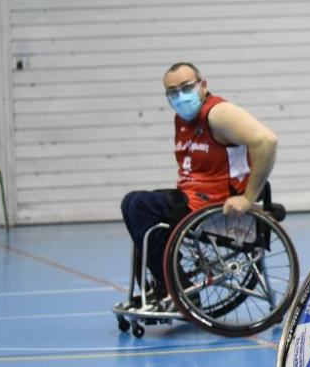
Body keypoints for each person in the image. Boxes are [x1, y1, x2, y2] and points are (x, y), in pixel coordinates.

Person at [119, 63, 278, 305]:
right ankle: (168, 284)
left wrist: (248, 198)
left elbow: (267, 141)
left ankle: (178, 290)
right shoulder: (182, 120)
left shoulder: (217, 113)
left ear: (202, 86)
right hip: (192, 198)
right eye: (173, 92)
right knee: (131, 202)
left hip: (216, 202)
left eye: (186, 88)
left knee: (141, 205)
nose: (180, 96)